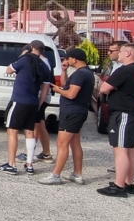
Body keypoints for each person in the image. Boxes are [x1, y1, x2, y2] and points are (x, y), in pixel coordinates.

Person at [39, 49, 95, 185]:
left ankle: (56, 175)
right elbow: (66, 85)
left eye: (68, 59)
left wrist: (58, 90)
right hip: (78, 111)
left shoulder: (80, 74)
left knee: (61, 143)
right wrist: (64, 71)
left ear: (74, 59)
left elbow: (70, 94)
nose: (66, 61)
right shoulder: (86, 73)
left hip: (72, 112)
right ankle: (77, 174)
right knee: (75, 142)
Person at [97, 43, 134, 197]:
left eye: (122, 52)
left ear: (129, 53)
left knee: (120, 149)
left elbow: (104, 88)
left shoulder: (125, 70)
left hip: (124, 113)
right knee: (130, 149)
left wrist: (110, 85)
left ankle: (119, 186)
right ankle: (128, 183)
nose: (119, 54)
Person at [0, 40, 51, 175]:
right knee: (30, 131)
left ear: (31, 48)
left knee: (12, 130)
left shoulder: (24, 59)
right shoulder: (44, 66)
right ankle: (29, 164)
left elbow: (9, 70)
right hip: (33, 102)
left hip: (19, 100)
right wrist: (39, 104)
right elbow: (45, 89)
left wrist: (22, 56)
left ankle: (11, 164)